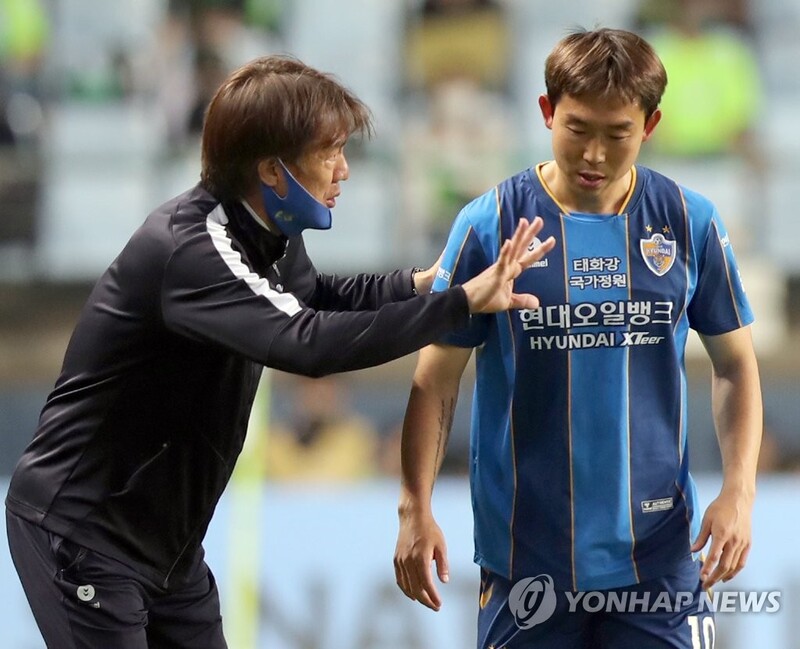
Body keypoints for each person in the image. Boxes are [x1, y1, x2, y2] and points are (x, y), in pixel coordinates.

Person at [4, 55, 554, 649]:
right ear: (271, 169)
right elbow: (307, 342)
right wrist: (460, 304)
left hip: (169, 551)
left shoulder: (268, 231)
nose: (344, 171)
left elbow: (315, 297)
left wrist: (426, 282)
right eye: (329, 152)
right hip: (86, 534)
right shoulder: (192, 250)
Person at [393, 28, 762, 649]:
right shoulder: (489, 223)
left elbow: (736, 364)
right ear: (546, 113)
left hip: (660, 556)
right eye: (577, 128)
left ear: (650, 125)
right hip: (525, 556)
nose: (594, 154)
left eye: (616, 134)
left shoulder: (688, 221)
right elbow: (436, 377)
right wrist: (413, 507)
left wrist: (739, 493)